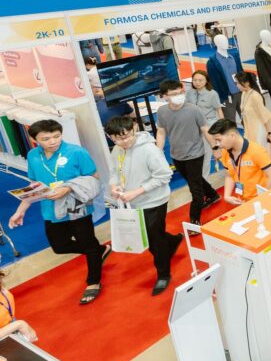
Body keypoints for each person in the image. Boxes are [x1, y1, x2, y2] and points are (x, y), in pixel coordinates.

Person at [9, 119, 108, 305]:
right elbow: (34, 186)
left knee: (87, 244)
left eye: (57, 136)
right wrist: (20, 211)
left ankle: (93, 282)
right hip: (50, 210)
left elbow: (94, 177)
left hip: (77, 206)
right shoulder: (33, 156)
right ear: (34, 140)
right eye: (46, 139)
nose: (53, 141)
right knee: (59, 246)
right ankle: (98, 250)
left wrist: (68, 188)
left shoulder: (76, 152)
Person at [105, 116, 181, 295]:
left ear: (134, 128)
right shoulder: (117, 150)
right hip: (132, 202)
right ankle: (173, 240)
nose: (124, 141)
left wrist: (136, 191)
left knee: (154, 241)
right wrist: (114, 185)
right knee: (150, 233)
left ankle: (163, 274)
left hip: (154, 200)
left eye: (127, 136)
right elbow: (114, 171)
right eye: (118, 138)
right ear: (110, 137)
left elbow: (164, 176)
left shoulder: (149, 150)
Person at [156, 80, 219, 228]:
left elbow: (205, 130)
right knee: (195, 179)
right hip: (176, 155)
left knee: (195, 188)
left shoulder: (194, 110)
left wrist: (215, 148)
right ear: (164, 96)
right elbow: (161, 132)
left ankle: (194, 221)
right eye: (174, 94)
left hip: (195, 154)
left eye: (181, 92)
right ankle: (213, 195)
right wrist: (158, 152)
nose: (179, 96)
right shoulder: (162, 111)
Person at [208, 119, 271, 204]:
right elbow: (229, 175)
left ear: (232, 135)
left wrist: (262, 199)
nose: (217, 144)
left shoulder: (256, 151)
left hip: (261, 200)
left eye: (219, 140)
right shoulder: (225, 152)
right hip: (243, 201)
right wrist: (227, 196)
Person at [233, 71, 271, 155]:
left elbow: (265, 116)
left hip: (258, 130)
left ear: (247, 83)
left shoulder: (255, 96)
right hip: (249, 129)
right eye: (236, 83)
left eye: (238, 83)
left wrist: (269, 133)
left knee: (261, 154)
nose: (237, 85)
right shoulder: (244, 93)